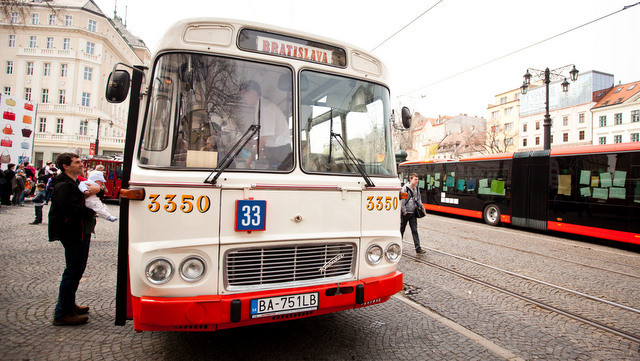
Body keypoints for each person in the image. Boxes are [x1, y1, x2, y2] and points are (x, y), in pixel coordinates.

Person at [49, 153, 100, 326]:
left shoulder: (74, 182)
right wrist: (92, 211)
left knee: (76, 270)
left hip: (79, 231)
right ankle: (62, 313)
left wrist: (96, 191)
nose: (81, 164)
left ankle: (69, 305)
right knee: (72, 272)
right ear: (65, 165)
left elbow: (92, 193)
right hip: (72, 232)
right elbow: (72, 209)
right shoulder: (64, 185)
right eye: (77, 162)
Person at [240, 81, 292, 170]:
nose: (243, 99)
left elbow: (263, 140)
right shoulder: (259, 107)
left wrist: (250, 159)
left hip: (280, 153)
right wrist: (253, 142)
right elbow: (264, 137)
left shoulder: (265, 108)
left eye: (244, 94)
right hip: (274, 151)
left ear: (254, 92)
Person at [401, 173, 426, 254]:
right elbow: (402, 201)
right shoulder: (405, 188)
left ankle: (418, 248)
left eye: (417, 179)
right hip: (405, 213)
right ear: (410, 179)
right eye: (415, 179)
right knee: (401, 230)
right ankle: (398, 246)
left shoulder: (417, 189)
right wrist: (404, 211)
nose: (417, 181)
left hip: (413, 213)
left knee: (414, 230)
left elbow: (419, 200)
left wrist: (422, 208)